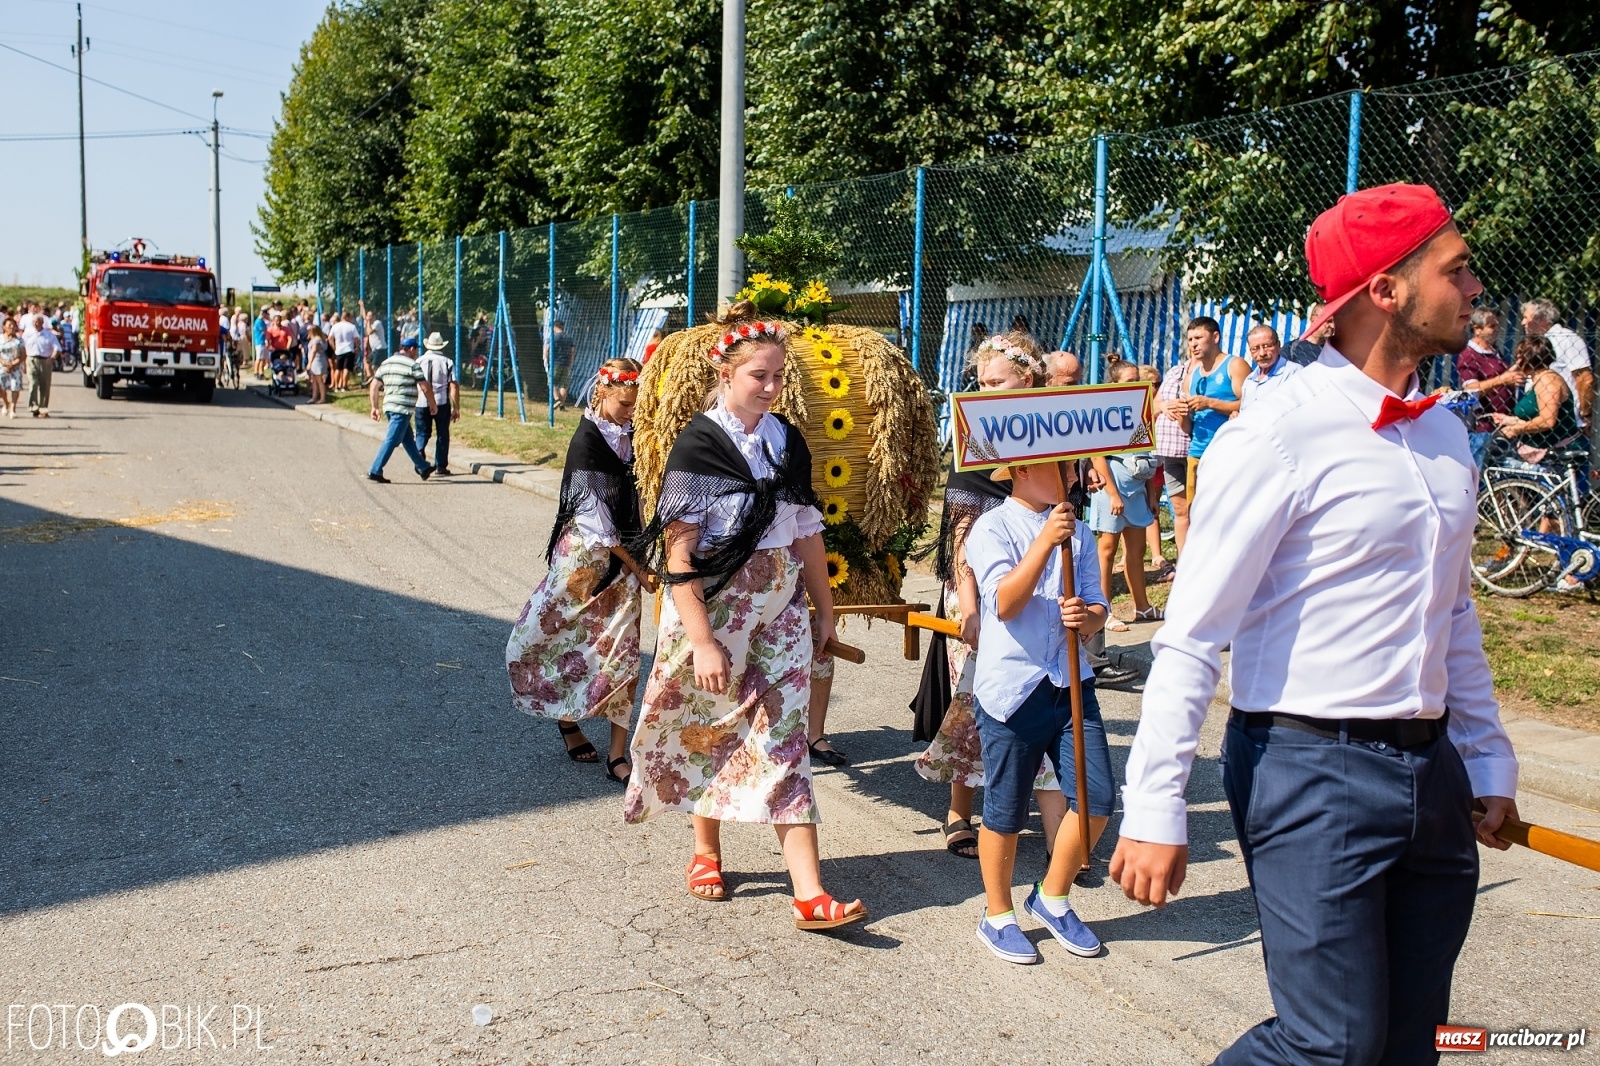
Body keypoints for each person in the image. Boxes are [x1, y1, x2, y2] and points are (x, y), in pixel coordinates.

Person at [1111, 183, 1519, 1065]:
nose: (1475, 288)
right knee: (1330, 1046)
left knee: (1411, 1044)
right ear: (1385, 290)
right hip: (1309, 764)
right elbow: (1191, 631)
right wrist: (1155, 803)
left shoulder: (1445, 436)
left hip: (1432, 769)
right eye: (1457, 271)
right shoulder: (1278, 433)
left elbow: (1453, 612)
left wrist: (1485, 757)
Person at [622, 304, 865, 932]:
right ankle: (706, 849)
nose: (772, 386)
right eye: (760, 375)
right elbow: (679, 556)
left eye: (779, 376)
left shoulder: (785, 440)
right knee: (709, 727)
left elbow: (805, 531)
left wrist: (824, 609)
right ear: (724, 373)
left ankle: (810, 893)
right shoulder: (700, 445)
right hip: (714, 610)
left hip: (779, 612)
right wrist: (701, 641)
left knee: (785, 740)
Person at [915, 332, 1067, 862]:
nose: (985, 390)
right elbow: (961, 531)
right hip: (981, 586)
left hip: (1045, 584)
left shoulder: (1055, 431)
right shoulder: (975, 436)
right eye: (980, 382)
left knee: (1048, 695)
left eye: (996, 381)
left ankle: (1057, 831)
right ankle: (960, 814)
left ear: (1028, 378)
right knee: (977, 701)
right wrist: (971, 604)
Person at [969, 457, 1111, 964]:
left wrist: (1087, 616)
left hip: (1070, 680)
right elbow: (1004, 603)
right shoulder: (992, 526)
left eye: (1074, 471)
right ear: (1024, 471)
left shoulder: (1083, 534)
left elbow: (1098, 605)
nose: (1073, 480)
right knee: (1005, 810)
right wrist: (1046, 541)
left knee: (1096, 799)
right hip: (1012, 687)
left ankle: (1052, 896)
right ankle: (997, 913)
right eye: (1062, 471)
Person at [507, 358, 654, 785]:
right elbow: (600, 527)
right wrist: (640, 568)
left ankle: (617, 754)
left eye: (636, 404)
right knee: (551, 638)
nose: (631, 411)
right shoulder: (587, 441)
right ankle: (568, 719)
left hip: (629, 556)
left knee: (622, 652)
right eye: (625, 403)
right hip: (586, 561)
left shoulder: (635, 434)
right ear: (602, 393)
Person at [1045, 348, 1141, 689]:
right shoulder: (1038, 410)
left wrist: (1084, 470)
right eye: (1068, 380)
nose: (1074, 385)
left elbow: (1088, 448)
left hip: (1071, 501)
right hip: (1045, 510)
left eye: (1078, 378)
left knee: (1082, 574)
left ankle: (1094, 659)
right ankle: (1081, 660)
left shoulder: (1076, 404)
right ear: (1049, 378)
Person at [1088, 363, 1162, 633]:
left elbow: (1147, 457)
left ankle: (1142, 606)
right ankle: (1103, 610)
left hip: (1137, 491)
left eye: (1138, 379)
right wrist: (1112, 494)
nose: (1136, 383)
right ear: (1115, 383)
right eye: (1130, 380)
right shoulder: (1105, 413)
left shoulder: (1142, 412)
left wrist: (1151, 494)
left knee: (1137, 550)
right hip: (1113, 490)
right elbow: (1098, 457)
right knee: (1107, 550)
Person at [1179, 317, 1249, 499]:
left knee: (1229, 510)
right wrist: (1181, 414)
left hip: (1228, 451)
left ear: (1215, 337)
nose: (1193, 344)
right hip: (1197, 452)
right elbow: (1188, 428)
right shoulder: (1191, 377)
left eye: (1199, 338)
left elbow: (1251, 404)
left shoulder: (1234, 365)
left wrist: (1210, 403)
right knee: (1196, 514)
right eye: (1190, 340)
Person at [1490, 335, 1581, 457]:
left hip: (1556, 453)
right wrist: (1510, 420)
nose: (1517, 363)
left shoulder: (1548, 381)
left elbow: (1547, 421)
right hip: (1539, 449)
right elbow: (1535, 417)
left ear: (1528, 359)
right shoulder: (1539, 380)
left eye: (1519, 358)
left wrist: (1515, 430)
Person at [1520, 298, 1594, 446]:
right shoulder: (1538, 343)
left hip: (1566, 426)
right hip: (1541, 427)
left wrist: (1585, 414)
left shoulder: (1567, 339)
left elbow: (1585, 379)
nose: (1522, 323)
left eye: (1526, 318)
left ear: (1541, 319)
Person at [367, 337, 437, 484]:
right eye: (416, 350)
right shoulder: (412, 365)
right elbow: (425, 386)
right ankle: (375, 469)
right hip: (402, 408)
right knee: (391, 439)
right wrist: (433, 404)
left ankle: (423, 467)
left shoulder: (386, 363)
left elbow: (374, 386)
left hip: (389, 406)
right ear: (411, 349)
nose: (416, 353)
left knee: (408, 440)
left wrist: (374, 407)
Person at [1454, 307, 1520, 434]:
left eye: (1497, 326)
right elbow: (1471, 389)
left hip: (1502, 423)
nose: (1497, 330)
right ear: (1477, 329)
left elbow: (1500, 375)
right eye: (1491, 326)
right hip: (1484, 427)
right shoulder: (1469, 355)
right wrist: (1502, 380)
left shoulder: (1493, 351)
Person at [413, 332, 460, 476]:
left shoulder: (418, 361)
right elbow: (453, 385)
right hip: (441, 401)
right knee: (442, 434)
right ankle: (441, 465)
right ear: (441, 346)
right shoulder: (447, 361)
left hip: (421, 401)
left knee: (422, 432)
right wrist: (456, 407)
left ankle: (419, 451)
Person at [1237, 325, 1299, 410]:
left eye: (1267, 346)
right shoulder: (1250, 380)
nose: (1262, 353)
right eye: (1255, 348)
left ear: (1278, 345)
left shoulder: (1293, 372)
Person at [24, 313, 59, 417]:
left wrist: (52, 357)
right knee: (33, 384)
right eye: (34, 322)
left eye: (38, 322)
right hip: (31, 360)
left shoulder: (49, 335)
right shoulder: (28, 333)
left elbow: (56, 347)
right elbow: (22, 346)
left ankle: (43, 407)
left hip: (45, 361)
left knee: (45, 385)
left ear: (42, 323)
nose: (35, 324)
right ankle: (33, 406)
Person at [329, 311, 362, 392]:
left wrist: (334, 347)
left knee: (338, 368)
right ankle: (344, 386)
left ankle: (336, 387)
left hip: (339, 350)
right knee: (346, 368)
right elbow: (357, 338)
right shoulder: (351, 326)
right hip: (348, 349)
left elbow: (330, 338)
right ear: (347, 317)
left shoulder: (335, 326)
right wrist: (357, 348)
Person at [0, 317, 24, 418]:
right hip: (2, 366)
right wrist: (4, 363)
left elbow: (23, 354)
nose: (12, 326)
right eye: (9, 325)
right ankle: (5, 403)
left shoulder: (19, 340)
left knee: (15, 386)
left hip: (16, 366)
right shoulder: (0, 338)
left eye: (13, 324)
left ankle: (13, 407)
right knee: (1, 387)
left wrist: (13, 364)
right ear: (4, 327)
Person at [550, 320, 576, 409]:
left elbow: (548, 349)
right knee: (563, 385)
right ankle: (562, 404)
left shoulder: (554, 337)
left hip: (555, 363)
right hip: (566, 363)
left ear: (555, 326)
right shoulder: (569, 338)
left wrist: (546, 359)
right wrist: (570, 362)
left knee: (551, 383)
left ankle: (557, 399)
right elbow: (572, 351)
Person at [304, 325, 331, 404]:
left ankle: (322, 398)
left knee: (319, 380)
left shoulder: (316, 340)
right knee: (314, 380)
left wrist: (309, 363)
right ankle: (314, 397)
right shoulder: (320, 339)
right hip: (318, 360)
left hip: (317, 361)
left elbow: (314, 351)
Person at [363, 308, 387, 383]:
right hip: (374, 349)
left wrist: (368, 322)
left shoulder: (377, 323)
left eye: (370, 316)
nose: (368, 317)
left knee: (375, 366)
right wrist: (362, 306)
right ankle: (370, 376)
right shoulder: (369, 324)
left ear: (374, 316)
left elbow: (369, 332)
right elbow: (366, 332)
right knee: (366, 361)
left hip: (380, 348)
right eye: (368, 316)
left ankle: (379, 382)